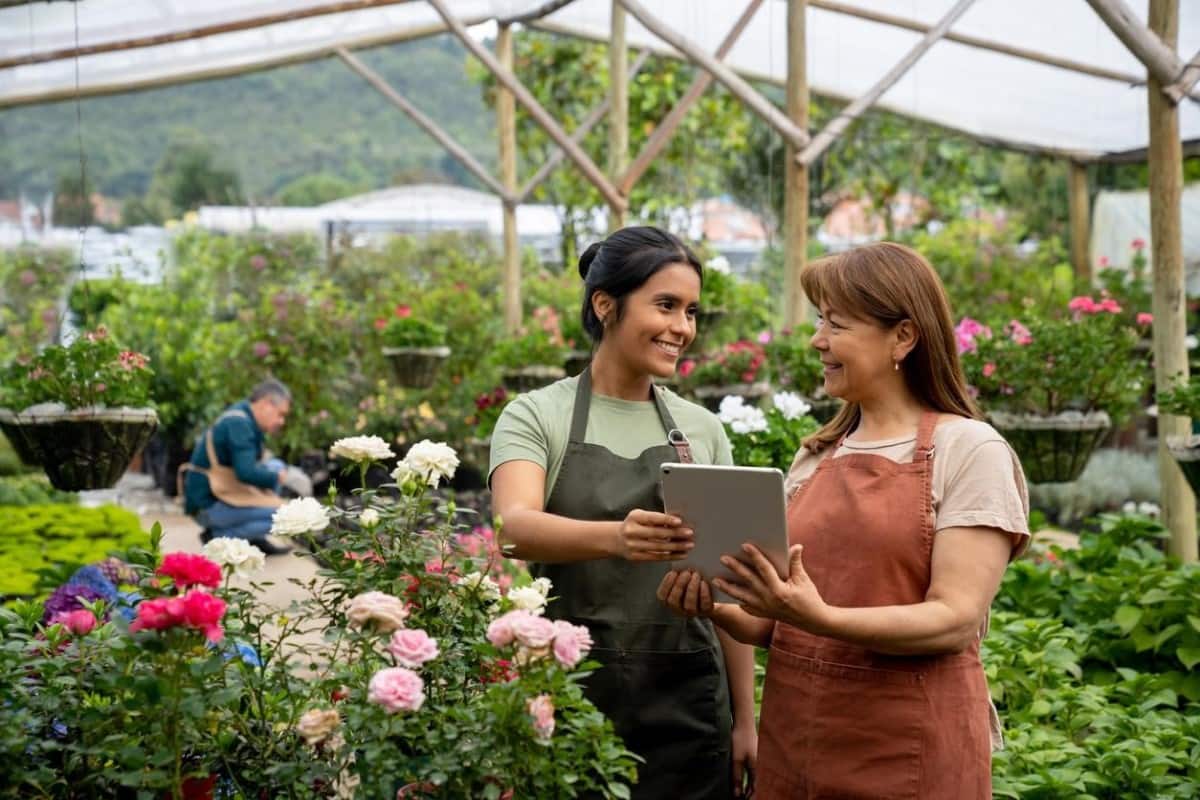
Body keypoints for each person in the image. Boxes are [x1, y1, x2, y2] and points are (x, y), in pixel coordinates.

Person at [658, 242, 1030, 799]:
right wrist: (716, 604)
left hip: (909, 752)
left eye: (836, 324)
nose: (818, 340)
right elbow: (777, 623)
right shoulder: (818, 454)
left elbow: (953, 618)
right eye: (818, 320)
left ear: (902, 337)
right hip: (798, 744)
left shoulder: (969, 449)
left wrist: (821, 617)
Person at [489, 226, 758, 798]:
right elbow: (513, 528)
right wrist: (617, 537)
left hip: (689, 702)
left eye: (691, 312)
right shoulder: (538, 415)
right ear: (605, 304)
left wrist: (746, 721)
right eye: (665, 306)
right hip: (575, 691)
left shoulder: (701, 430)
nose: (682, 328)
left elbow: (730, 582)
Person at [182, 379, 297, 555]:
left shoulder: (243, 414)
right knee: (287, 517)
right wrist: (276, 478)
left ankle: (254, 537)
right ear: (266, 404)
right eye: (280, 414)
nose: (281, 421)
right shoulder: (239, 424)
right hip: (207, 506)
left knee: (276, 466)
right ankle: (218, 535)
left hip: (216, 494)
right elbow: (245, 473)